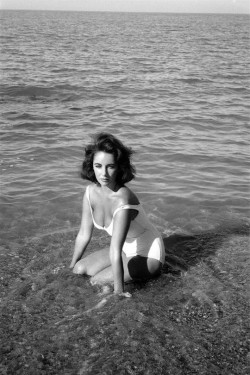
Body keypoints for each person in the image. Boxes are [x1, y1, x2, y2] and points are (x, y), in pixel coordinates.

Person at [70, 133, 165, 296]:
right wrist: (71, 267)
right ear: (91, 165)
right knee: (79, 270)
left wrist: (118, 291)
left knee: (96, 281)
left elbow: (115, 248)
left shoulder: (123, 199)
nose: (104, 174)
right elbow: (84, 235)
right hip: (125, 250)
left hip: (148, 253)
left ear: (119, 167)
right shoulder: (89, 192)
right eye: (98, 166)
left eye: (110, 166)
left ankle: (125, 285)